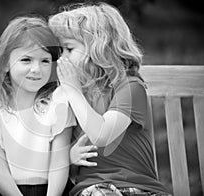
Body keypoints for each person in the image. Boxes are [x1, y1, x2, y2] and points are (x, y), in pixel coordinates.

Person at [49, 2, 171, 196]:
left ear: (100, 49)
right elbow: (52, 157)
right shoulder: (66, 97)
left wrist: (74, 91)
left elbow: (102, 135)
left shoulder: (130, 88)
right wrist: (69, 157)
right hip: (94, 189)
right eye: (60, 51)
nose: (61, 59)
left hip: (140, 189)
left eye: (69, 49)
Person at [0, 16, 76, 196]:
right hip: (7, 191)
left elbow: (59, 164)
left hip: (53, 190)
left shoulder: (58, 104)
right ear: (5, 65)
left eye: (45, 61)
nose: (36, 69)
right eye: (26, 60)